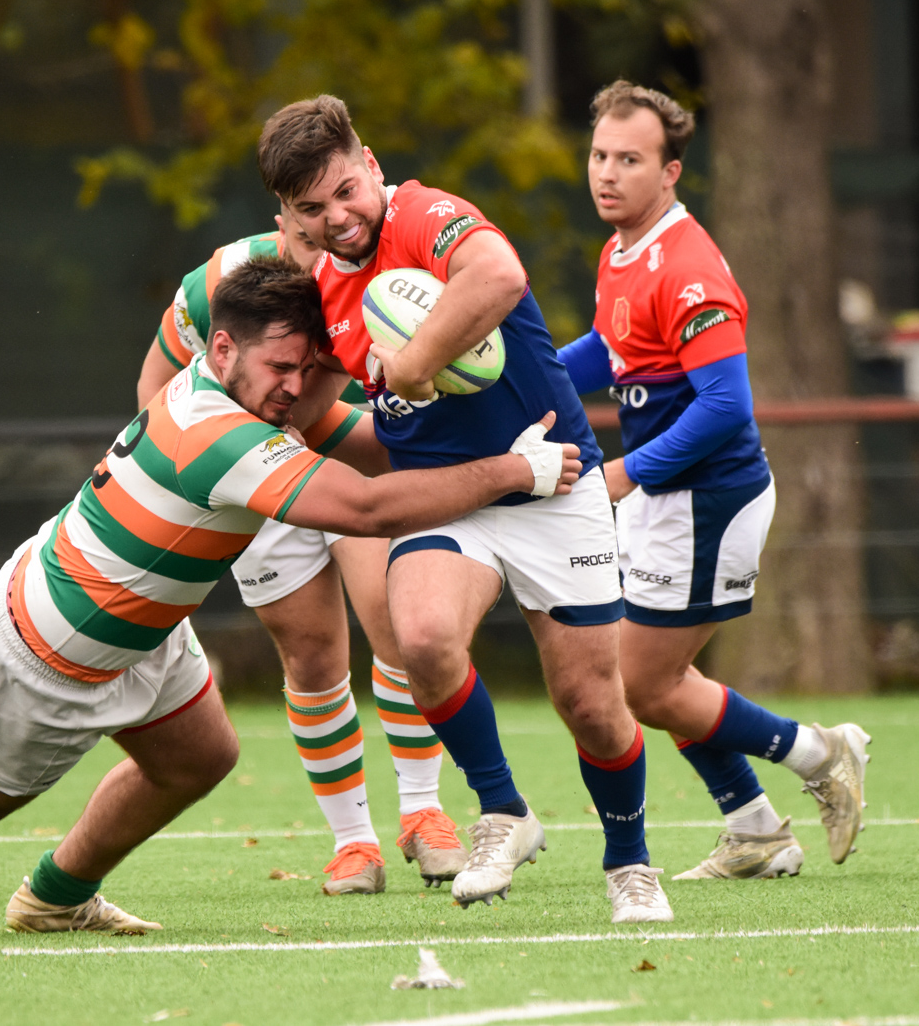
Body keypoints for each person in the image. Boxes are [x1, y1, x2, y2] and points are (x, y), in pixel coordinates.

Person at [0, 258, 580, 939]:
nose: (296, 387)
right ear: (222, 348)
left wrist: (469, 426)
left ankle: (55, 896)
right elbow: (367, 506)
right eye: (281, 368)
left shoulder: (252, 393)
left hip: (138, 625)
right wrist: (513, 472)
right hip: (50, 648)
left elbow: (374, 446)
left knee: (200, 757)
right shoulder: (222, 434)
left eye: (307, 369)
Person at [257, 95, 673, 924]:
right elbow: (308, 410)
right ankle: (503, 809)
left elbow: (499, 274)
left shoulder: (424, 215)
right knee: (420, 636)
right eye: (312, 207)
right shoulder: (322, 290)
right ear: (289, 215)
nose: (337, 217)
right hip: (447, 497)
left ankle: (630, 860)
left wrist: (413, 362)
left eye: (346, 191)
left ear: (371, 166)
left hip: (553, 478)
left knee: (591, 704)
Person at [556, 80, 870, 881]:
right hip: (664, 497)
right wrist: (525, 382)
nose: (608, 173)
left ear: (671, 172)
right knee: (652, 677)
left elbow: (727, 406)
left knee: (640, 682)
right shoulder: (622, 249)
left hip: (708, 501)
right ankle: (756, 828)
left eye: (630, 160)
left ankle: (819, 752)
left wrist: (626, 472)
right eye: (600, 155)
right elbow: (609, 346)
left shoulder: (687, 264)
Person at [134, 209, 467, 895]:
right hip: (251, 474)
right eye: (305, 234)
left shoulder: (376, 272)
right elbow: (153, 390)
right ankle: (353, 845)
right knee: (311, 656)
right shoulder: (216, 282)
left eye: (329, 235)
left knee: (398, 625)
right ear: (281, 216)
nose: (321, 252)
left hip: (334, 458)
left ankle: (422, 812)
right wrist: (216, 468)